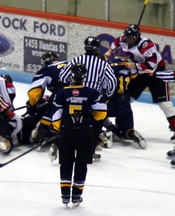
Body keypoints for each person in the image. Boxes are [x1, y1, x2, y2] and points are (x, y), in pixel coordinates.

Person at [104, 24, 175, 140]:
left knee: (165, 104)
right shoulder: (123, 38)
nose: (128, 40)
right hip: (140, 73)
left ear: (137, 36)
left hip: (156, 73)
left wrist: (134, 65)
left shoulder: (147, 45)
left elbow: (151, 65)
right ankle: (122, 127)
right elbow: (116, 42)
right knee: (126, 98)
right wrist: (110, 51)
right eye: (127, 37)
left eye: (130, 38)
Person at [51, 64, 107, 206]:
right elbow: (101, 112)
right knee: (82, 164)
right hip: (85, 133)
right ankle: (76, 195)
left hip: (67, 133)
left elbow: (56, 114)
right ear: (84, 77)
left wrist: (57, 129)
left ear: (71, 76)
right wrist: (91, 118)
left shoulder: (62, 93)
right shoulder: (92, 93)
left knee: (66, 163)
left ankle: (65, 195)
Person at [59, 36, 117, 160]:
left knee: (70, 123)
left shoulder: (76, 60)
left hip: (73, 100)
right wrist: (107, 96)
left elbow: (63, 77)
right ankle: (88, 152)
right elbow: (112, 82)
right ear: (97, 48)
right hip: (94, 101)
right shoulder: (103, 64)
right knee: (95, 126)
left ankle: (64, 147)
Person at [104, 58, 146, 149]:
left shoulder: (108, 68)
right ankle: (131, 133)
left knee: (95, 117)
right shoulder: (130, 68)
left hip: (110, 102)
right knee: (126, 129)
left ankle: (105, 135)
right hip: (124, 103)